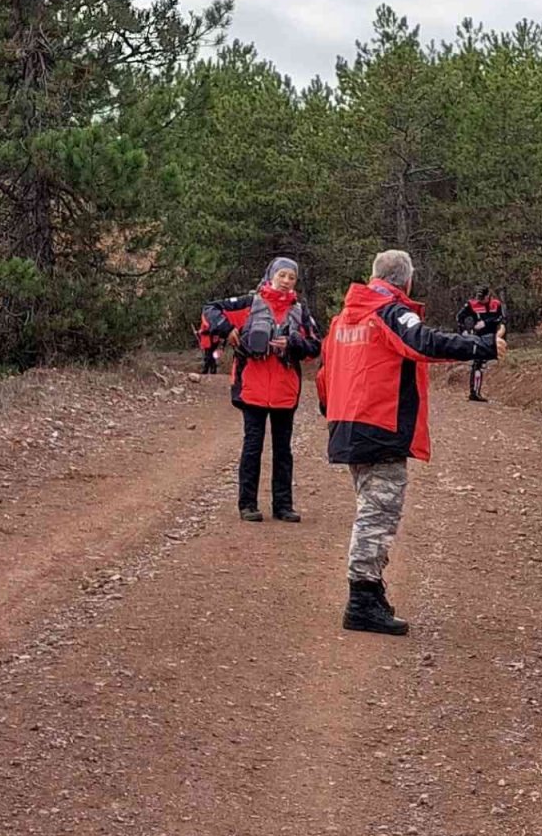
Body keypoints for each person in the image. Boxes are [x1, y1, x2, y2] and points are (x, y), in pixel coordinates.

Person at [316, 249, 506, 635]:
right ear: (407, 280)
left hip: (348, 425)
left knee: (372, 511)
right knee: (377, 515)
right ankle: (362, 600)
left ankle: (369, 593)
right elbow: (424, 342)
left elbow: (324, 377)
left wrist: (334, 415)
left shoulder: (343, 319)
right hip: (380, 425)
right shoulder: (388, 311)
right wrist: (482, 345)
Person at [203, 257, 321, 522]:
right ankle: (247, 505)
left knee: (283, 450)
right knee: (252, 446)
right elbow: (210, 310)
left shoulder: (300, 311)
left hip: (285, 390)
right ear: (271, 276)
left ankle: (283, 506)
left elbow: (315, 346)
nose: (287, 281)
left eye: (291, 277)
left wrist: (292, 343)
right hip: (252, 388)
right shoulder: (250, 303)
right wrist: (228, 330)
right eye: (282, 276)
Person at [456, 285, 507, 402]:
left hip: (494, 338)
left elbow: (501, 319)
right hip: (479, 338)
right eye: (478, 298)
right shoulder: (471, 304)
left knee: (486, 363)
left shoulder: (496, 304)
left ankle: (477, 392)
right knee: (478, 363)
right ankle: (474, 392)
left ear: (488, 296)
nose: (479, 300)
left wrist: (485, 322)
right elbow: (459, 317)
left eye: (482, 298)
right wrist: (464, 330)